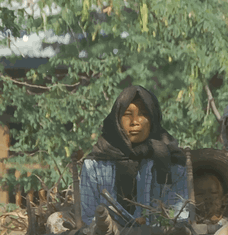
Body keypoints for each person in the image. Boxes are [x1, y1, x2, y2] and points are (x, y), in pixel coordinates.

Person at [79, 86, 188, 226]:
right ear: (117, 120)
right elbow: (89, 216)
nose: (134, 122)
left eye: (143, 114)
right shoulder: (95, 165)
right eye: (127, 114)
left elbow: (180, 214)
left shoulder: (172, 162)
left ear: (153, 118)